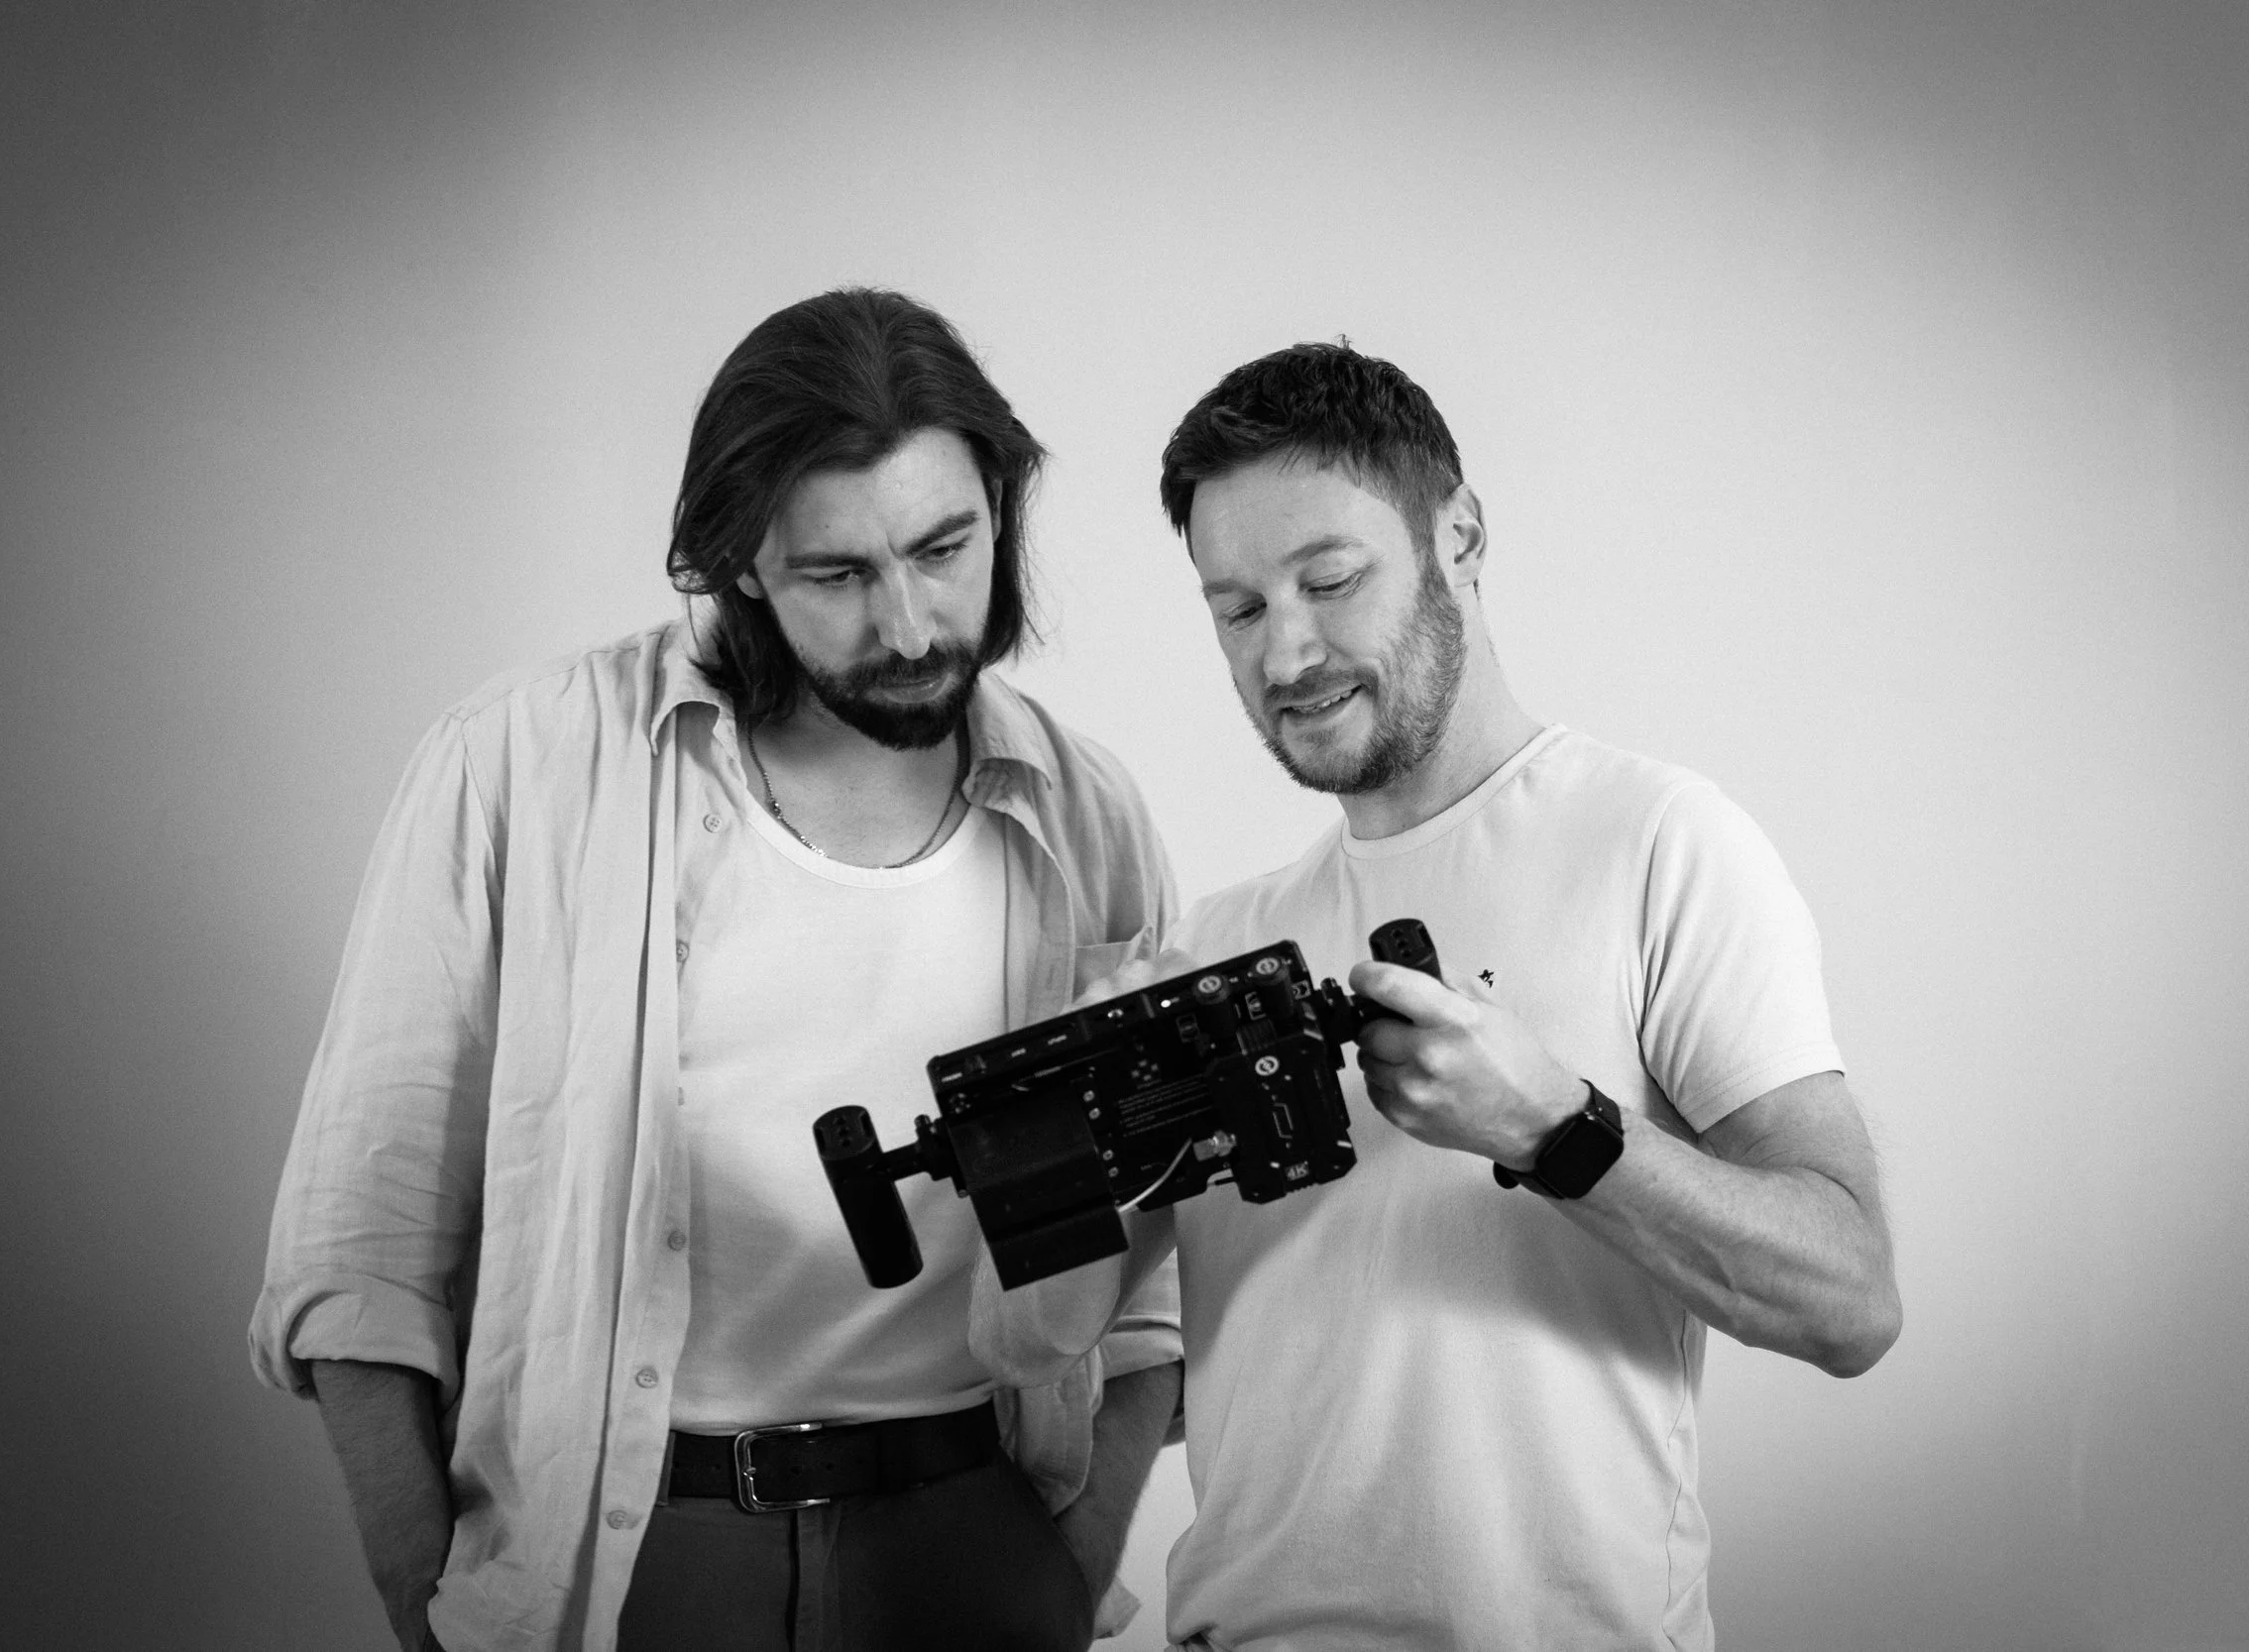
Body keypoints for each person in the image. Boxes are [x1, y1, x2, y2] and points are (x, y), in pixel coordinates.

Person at [251, 288, 1182, 1652]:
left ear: (1003, 507)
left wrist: (1073, 1552)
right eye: (839, 575)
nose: (914, 622)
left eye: (945, 547)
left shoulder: (1083, 811)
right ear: (738, 561)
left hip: (975, 1535)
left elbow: (1149, 1240)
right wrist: (427, 1598)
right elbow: (361, 1239)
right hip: (637, 1554)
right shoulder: (520, 764)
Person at [977, 342, 1901, 1650]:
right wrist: (1078, 1142)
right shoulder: (1215, 945)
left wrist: (1560, 1128)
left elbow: (1851, 1297)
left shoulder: (1658, 844)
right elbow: (1038, 1343)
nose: (1285, 649)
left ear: (1458, 534)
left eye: (1329, 579)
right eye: (1236, 608)